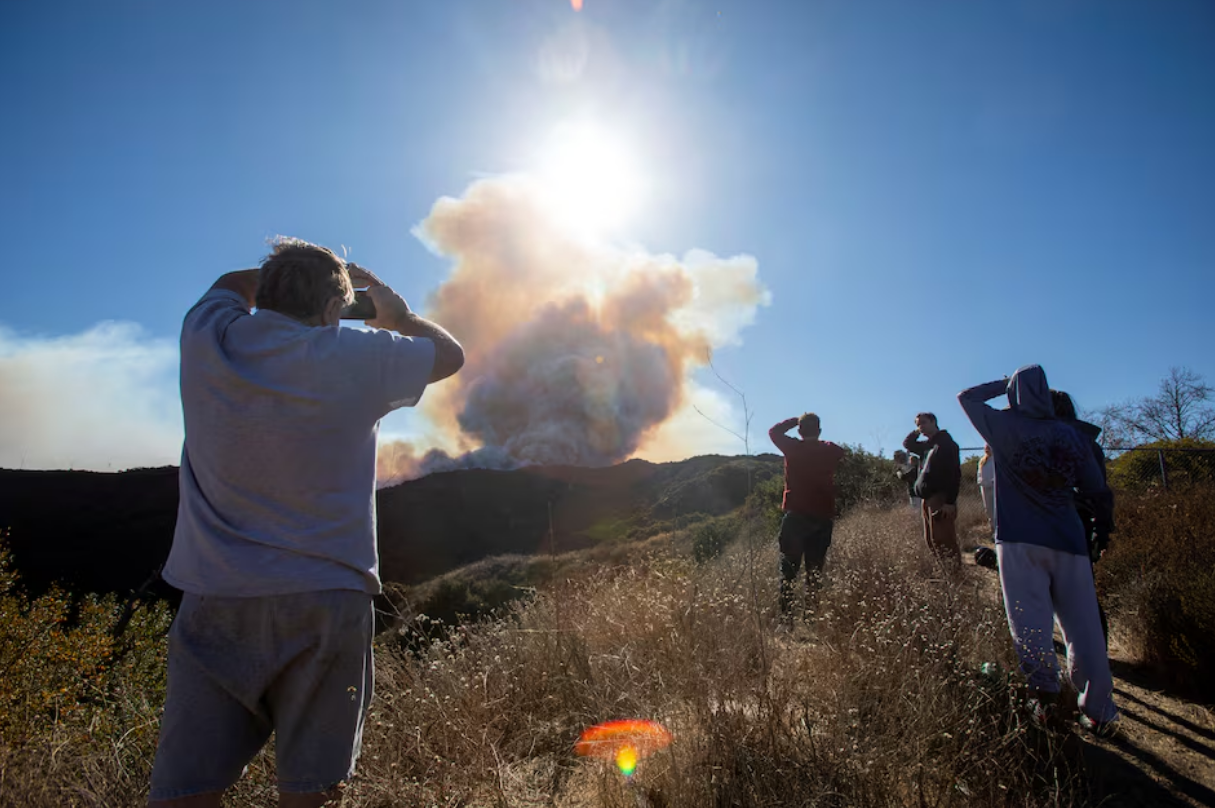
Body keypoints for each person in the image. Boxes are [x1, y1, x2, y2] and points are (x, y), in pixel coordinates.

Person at [148, 239, 465, 808]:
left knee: (184, 792)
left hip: (216, 595)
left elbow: (227, 280)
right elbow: (448, 355)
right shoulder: (353, 354)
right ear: (329, 312)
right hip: (327, 598)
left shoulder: (209, 337)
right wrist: (395, 313)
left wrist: (290, 274)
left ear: (265, 295)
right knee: (311, 792)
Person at [958, 366, 1118, 735]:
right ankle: (1099, 710)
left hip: (1018, 541)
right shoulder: (1071, 435)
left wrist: (1007, 384)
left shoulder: (1002, 427)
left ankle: (1044, 700)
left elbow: (966, 397)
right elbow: (1097, 492)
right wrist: (1102, 531)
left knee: (1029, 622)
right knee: (1084, 628)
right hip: (1069, 540)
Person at [1052, 389, 1115, 648]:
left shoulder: (1046, 441)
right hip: (1082, 523)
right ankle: (1096, 648)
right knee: (1083, 591)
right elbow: (1101, 492)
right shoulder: (1089, 442)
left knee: (1047, 589)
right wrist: (1102, 529)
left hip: (1056, 523)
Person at [769, 413, 846, 619]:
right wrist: (819, 440)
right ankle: (811, 619)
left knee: (788, 571)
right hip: (822, 516)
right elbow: (840, 451)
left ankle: (786, 620)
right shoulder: (829, 450)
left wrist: (794, 420)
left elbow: (774, 432)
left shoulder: (793, 448)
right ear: (819, 431)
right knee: (814, 572)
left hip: (796, 517)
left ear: (800, 431)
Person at [903, 412, 962, 567]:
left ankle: (956, 576)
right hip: (927, 499)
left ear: (934, 422)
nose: (920, 427)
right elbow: (908, 444)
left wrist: (949, 502)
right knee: (932, 540)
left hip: (940, 498)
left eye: (923, 423)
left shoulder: (946, 444)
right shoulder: (927, 445)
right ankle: (944, 574)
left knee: (945, 540)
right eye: (917, 424)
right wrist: (917, 431)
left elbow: (955, 474)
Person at [978, 444, 997, 528]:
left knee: (995, 507)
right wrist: (980, 481)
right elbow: (979, 473)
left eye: (988, 448)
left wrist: (993, 481)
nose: (987, 450)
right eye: (986, 449)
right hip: (984, 487)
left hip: (994, 486)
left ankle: (998, 527)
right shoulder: (982, 461)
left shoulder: (996, 459)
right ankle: (992, 526)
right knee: (988, 508)